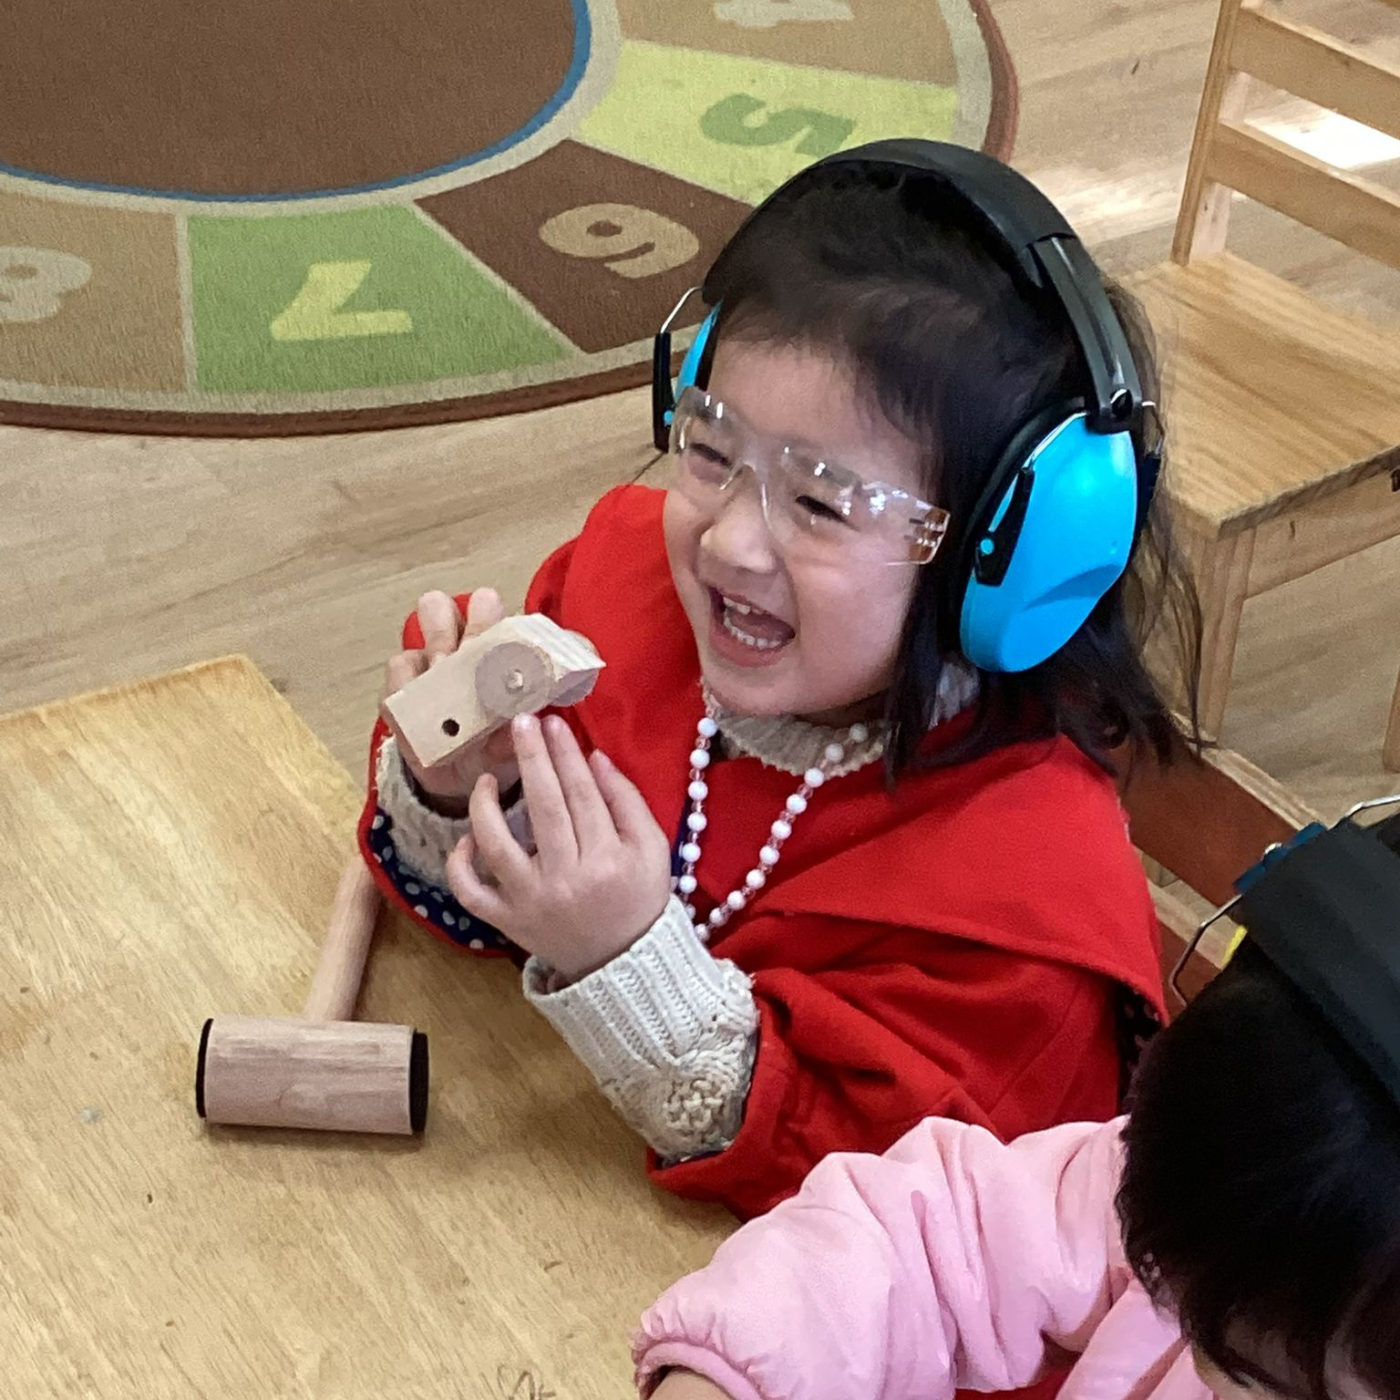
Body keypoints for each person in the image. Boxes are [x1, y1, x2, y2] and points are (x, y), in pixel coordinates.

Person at [358, 140, 1201, 1221]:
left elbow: (912, 1224)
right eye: (711, 450)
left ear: (1007, 556)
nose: (728, 543)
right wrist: (465, 793)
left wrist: (626, 963)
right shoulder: (620, 587)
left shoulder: (1024, 912)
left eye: (820, 503)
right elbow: (481, 944)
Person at [634, 804, 1400, 1400]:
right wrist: (734, 1370)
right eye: (1196, 1320)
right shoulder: (1245, 1193)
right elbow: (934, 1244)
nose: (1211, 1376)